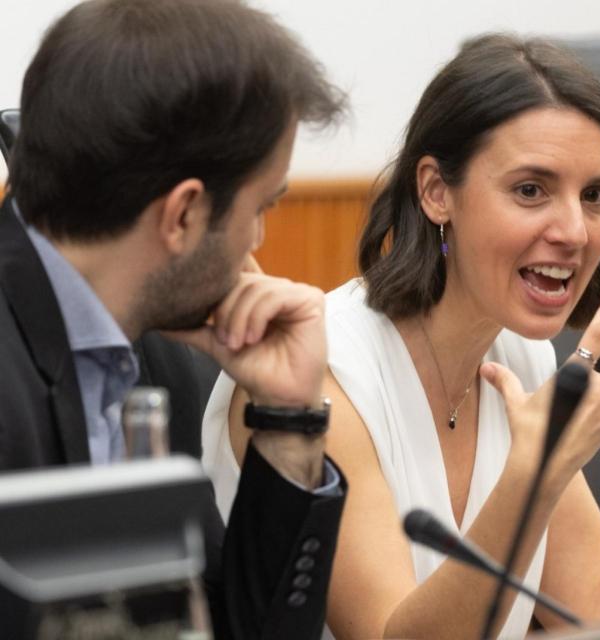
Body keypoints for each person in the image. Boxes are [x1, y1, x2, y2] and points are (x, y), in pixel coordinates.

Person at [203, 34, 600, 638]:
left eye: (596, 195)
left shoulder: (517, 353)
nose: (575, 231)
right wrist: (532, 480)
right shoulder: (323, 375)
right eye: (531, 190)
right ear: (436, 191)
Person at [0, 0, 349, 638]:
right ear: (183, 214)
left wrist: (289, 419)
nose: (257, 245)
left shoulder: (159, 355)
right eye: (261, 207)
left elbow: (241, 628)